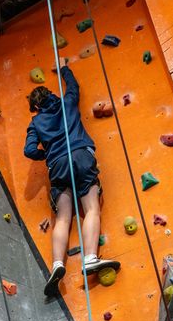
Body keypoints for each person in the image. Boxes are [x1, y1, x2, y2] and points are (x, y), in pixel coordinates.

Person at [24, 58, 119, 299]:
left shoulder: (35, 122)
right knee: (91, 209)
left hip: (57, 164)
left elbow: (29, 150)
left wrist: (47, 154)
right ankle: (90, 257)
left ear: (35, 107)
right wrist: (64, 68)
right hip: (80, 155)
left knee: (63, 218)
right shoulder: (67, 103)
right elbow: (74, 87)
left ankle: (57, 264)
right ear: (51, 95)